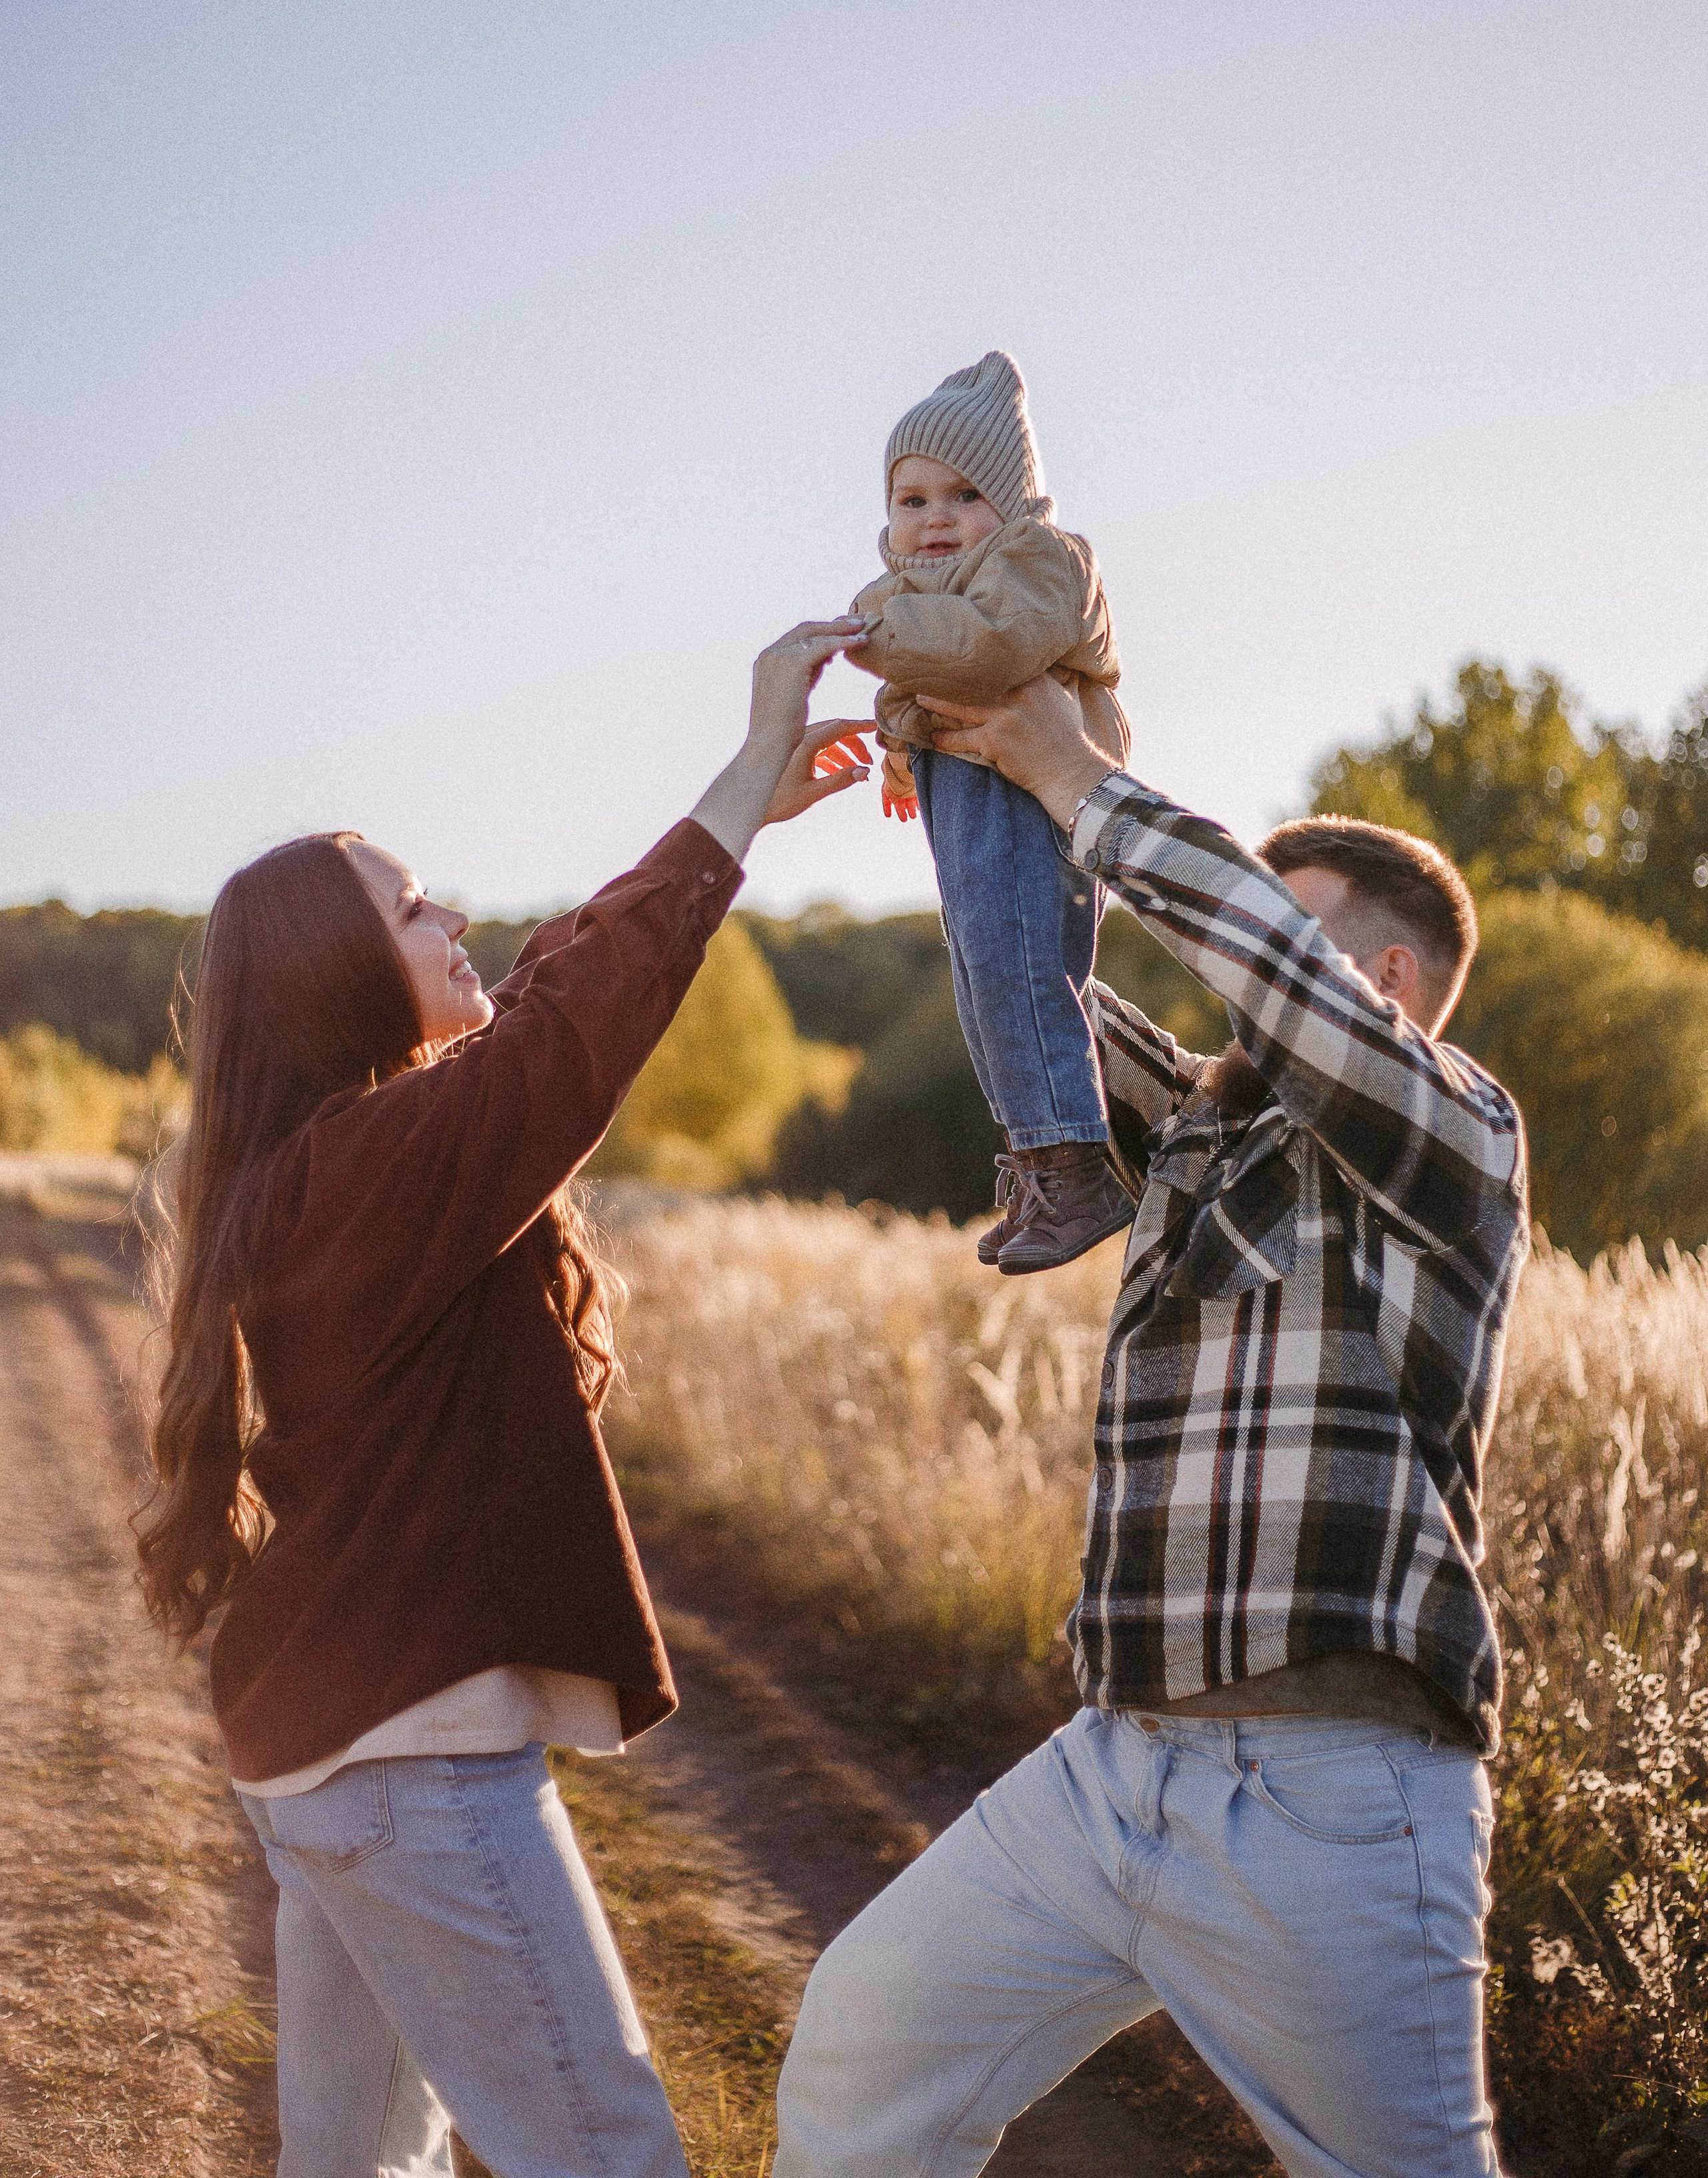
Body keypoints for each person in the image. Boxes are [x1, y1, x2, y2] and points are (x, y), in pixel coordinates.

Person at [133, 621, 873, 2178]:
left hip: (333, 1751)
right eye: (412, 908)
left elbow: (543, 998)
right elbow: (575, 1027)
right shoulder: (369, 1167)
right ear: (341, 976)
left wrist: (734, 811)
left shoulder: (335, 1163)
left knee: (350, 2170)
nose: (452, 914)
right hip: (407, 1764)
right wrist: (742, 778)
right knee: (601, 2150)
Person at [775, 671, 1530, 2178]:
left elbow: (1245, 951)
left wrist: (1081, 782)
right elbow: (1029, 987)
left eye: (1286, 929)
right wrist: (990, 771)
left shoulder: (1451, 1137)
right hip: (1110, 1759)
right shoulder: (1197, 1124)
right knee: (861, 2047)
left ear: (1381, 981)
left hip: (1332, 1794)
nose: (1236, 973)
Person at [848, 350, 1134, 1271]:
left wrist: (875, 633)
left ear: (1013, 501)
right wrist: (900, 751)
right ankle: (1034, 1157)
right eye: (912, 500)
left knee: (1019, 970)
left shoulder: (1043, 562)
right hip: (965, 801)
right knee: (981, 982)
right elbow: (918, 691)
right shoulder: (918, 595)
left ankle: (1078, 1167)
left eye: (963, 494)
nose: (935, 519)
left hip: (1036, 797)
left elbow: (983, 654)